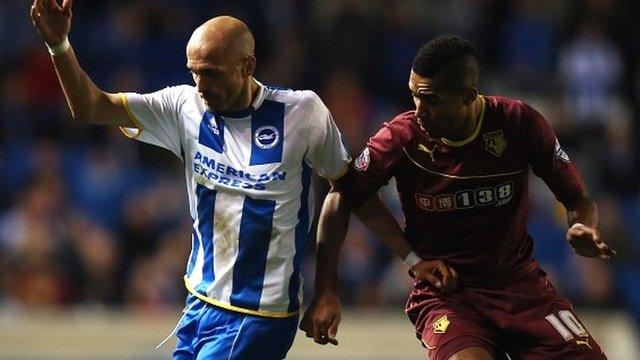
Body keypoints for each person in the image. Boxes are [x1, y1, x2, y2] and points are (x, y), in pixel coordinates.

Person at [30, 1, 352, 359]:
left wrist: (328, 287)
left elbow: (347, 188)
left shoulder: (302, 113)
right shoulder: (183, 106)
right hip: (199, 305)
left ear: (247, 65)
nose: (200, 85)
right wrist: (59, 45)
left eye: (211, 73)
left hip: (258, 315)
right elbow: (90, 107)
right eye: (194, 72)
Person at [300, 34, 615, 360]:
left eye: (430, 99)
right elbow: (342, 196)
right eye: (413, 96)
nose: (418, 110)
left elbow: (579, 201)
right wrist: (328, 290)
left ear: (468, 96)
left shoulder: (518, 124)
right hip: (447, 296)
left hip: (520, 288)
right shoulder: (402, 138)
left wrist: (584, 227)